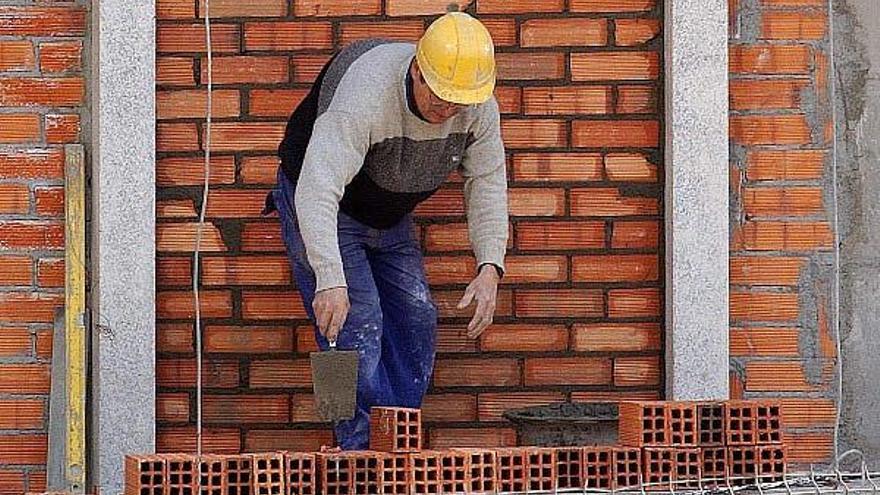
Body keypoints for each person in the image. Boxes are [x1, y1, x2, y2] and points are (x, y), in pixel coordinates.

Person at [263, 11, 509, 450]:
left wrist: (490, 264)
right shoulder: (366, 96)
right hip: (323, 203)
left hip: (387, 214)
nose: (447, 110)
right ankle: (355, 451)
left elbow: (486, 181)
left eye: (458, 101)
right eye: (439, 96)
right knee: (354, 322)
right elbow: (318, 191)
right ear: (417, 70)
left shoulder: (476, 105)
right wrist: (329, 277)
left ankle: (396, 444)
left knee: (416, 319)